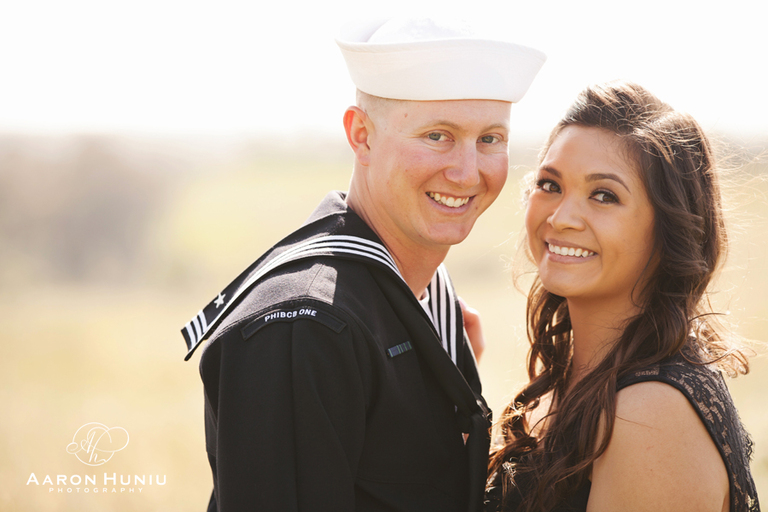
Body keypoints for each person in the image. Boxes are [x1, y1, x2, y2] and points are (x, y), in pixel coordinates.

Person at [179, 17, 545, 512]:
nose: (467, 171)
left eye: (490, 140)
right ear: (362, 135)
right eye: (437, 136)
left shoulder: (419, 299)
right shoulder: (306, 327)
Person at [485, 81, 760, 511]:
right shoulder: (564, 385)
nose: (561, 218)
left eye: (604, 196)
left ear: (668, 230)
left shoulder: (652, 414)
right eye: (550, 185)